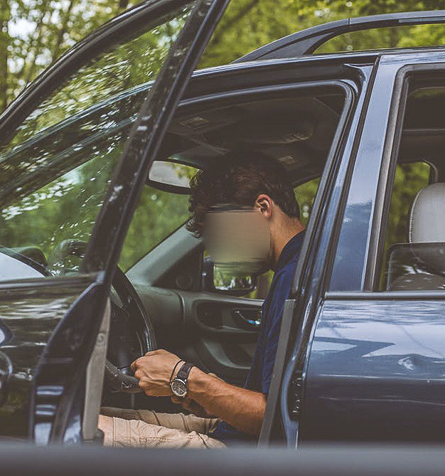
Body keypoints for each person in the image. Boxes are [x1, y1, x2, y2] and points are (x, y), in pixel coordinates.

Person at [97, 152, 306, 448]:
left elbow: (279, 421)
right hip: (242, 434)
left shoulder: (297, 278)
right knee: (90, 416)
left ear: (263, 207)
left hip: (257, 457)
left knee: (80, 430)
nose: (218, 253)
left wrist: (183, 376)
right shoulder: (297, 266)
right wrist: (208, 396)